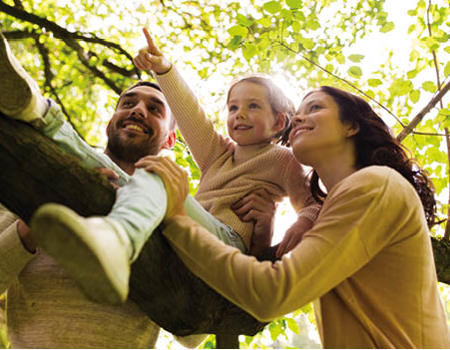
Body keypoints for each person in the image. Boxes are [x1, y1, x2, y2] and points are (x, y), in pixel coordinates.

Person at [140, 86, 450, 348]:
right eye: (299, 111)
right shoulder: (337, 210)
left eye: (314, 107)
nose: (299, 117)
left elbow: (273, 293)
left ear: (351, 126)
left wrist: (177, 217)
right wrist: (261, 242)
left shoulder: (375, 185)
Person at [0, 33, 256, 348]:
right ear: (112, 120)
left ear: (170, 141)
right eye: (128, 103)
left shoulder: (174, 211)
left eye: (155, 108)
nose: (138, 111)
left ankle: (39, 110)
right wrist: (33, 229)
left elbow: (193, 333)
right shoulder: (37, 179)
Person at [133, 28, 321, 257]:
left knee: (161, 178)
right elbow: (190, 113)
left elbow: (313, 202)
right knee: (147, 179)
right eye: (233, 107)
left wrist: (302, 223)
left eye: (253, 106)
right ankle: (116, 232)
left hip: (227, 238)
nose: (239, 114)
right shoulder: (216, 153)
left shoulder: (282, 159)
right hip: (187, 228)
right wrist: (163, 69)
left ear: (279, 122)